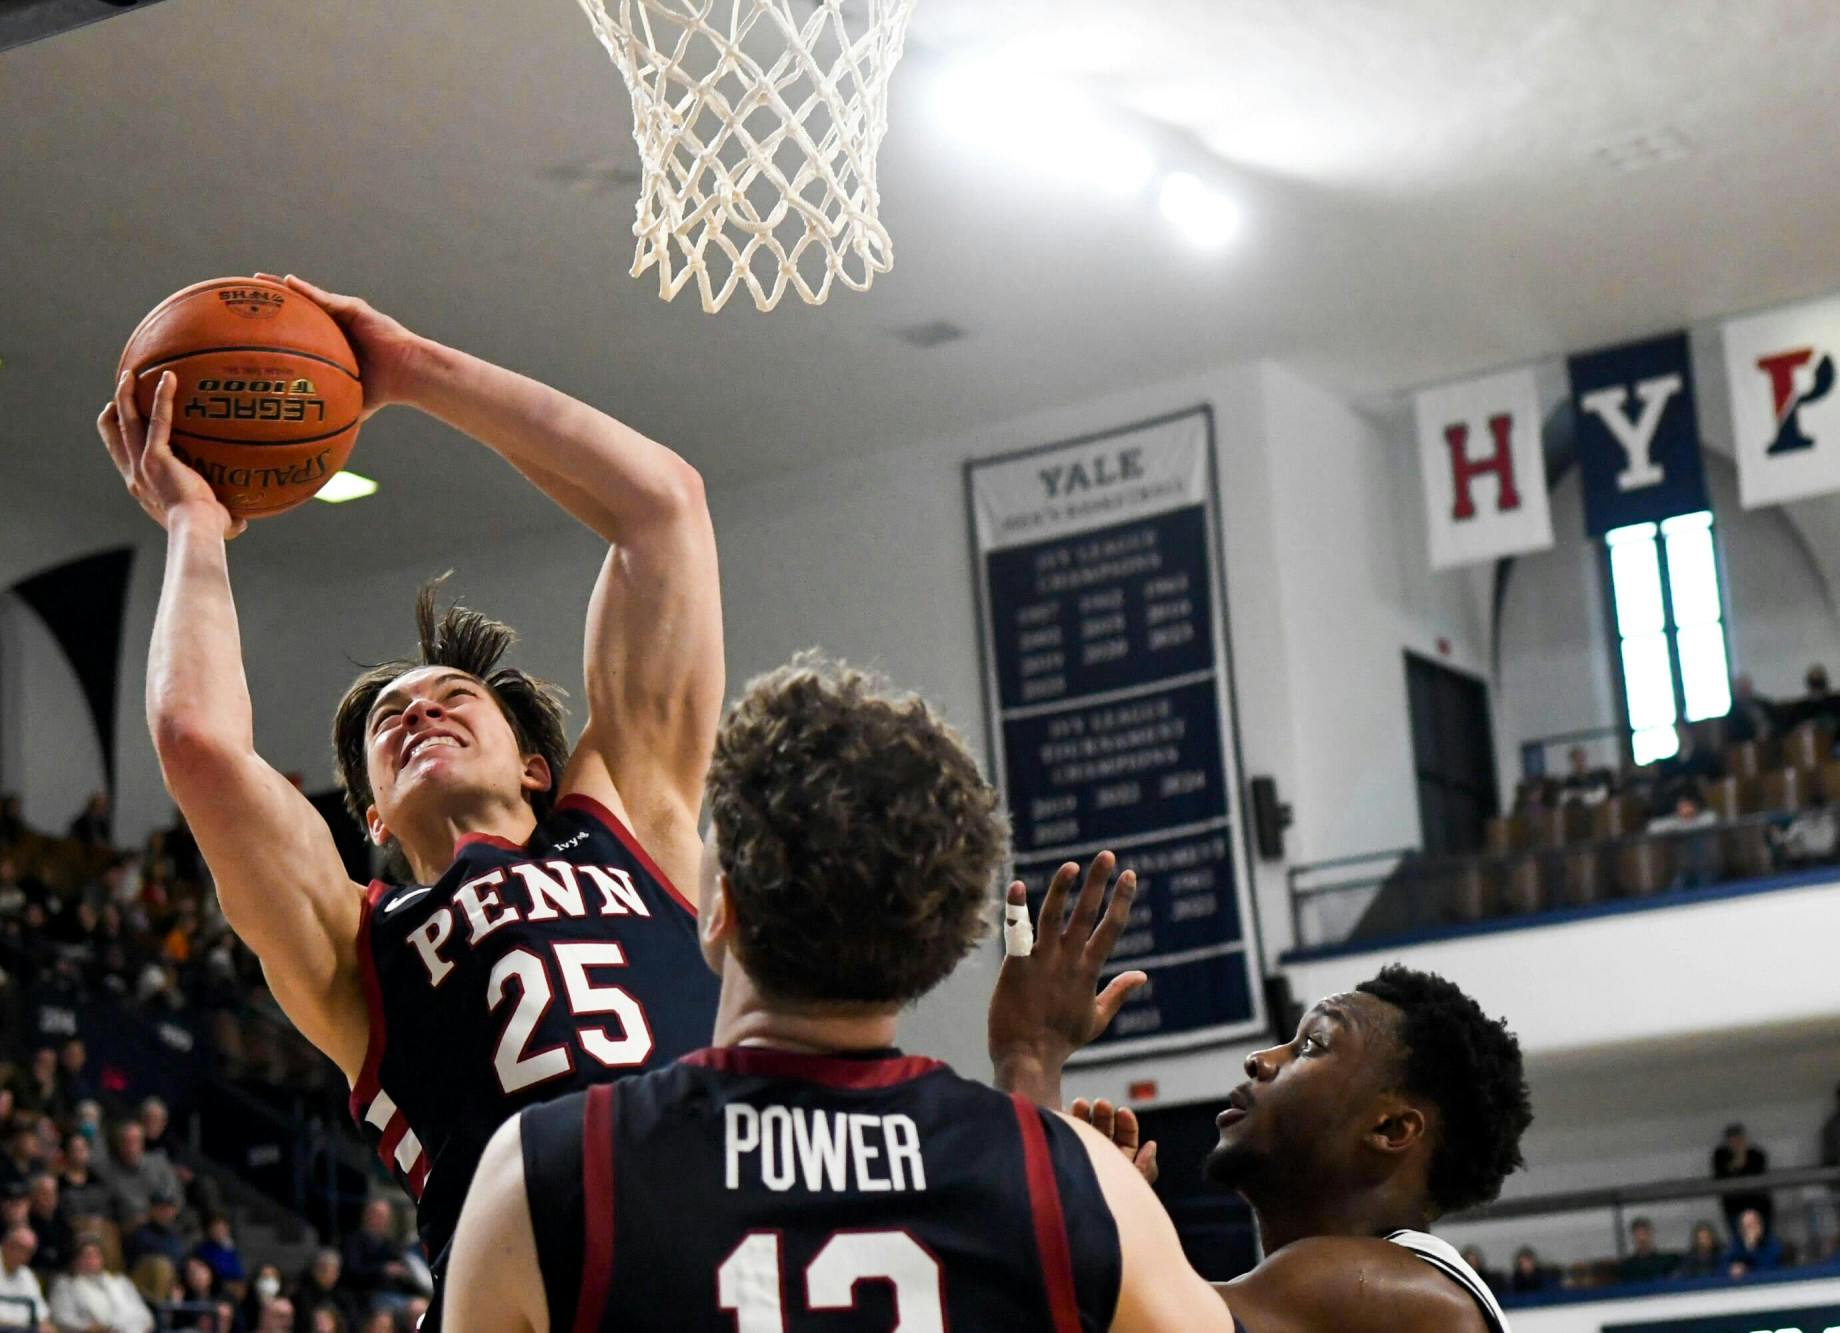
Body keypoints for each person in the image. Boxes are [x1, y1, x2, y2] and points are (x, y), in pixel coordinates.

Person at [98, 272, 726, 1324]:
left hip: (721, 1245)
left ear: (537, 764)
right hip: (526, 1291)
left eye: (451, 697)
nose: (418, 713)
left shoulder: (631, 825)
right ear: (374, 819)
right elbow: (196, 740)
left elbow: (661, 510)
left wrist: (409, 371)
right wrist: (194, 526)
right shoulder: (357, 948)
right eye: (391, 723)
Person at [445, 657, 1234, 1332]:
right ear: (935, 942)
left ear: (722, 911)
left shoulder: (545, 1168)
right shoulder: (1082, 1182)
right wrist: (1034, 1080)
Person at [992, 917, 1530, 1330]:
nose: (1261, 1059)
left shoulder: (1389, 1294)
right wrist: (1100, 1210)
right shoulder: (1346, 1291)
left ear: (1391, 1130)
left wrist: (1029, 1057)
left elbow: (1079, 1309)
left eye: (1311, 1046)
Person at [49, 1233, 156, 1333]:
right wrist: (90, 1328)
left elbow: (145, 1315)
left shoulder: (120, 1281)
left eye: (96, 1255)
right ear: (74, 1259)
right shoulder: (65, 1284)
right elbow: (62, 1318)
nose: (92, 1260)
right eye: (87, 1256)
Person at [341, 1198, 414, 1309]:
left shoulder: (389, 1244)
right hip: (366, 1294)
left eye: (384, 1216)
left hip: (395, 1293)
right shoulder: (353, 1240)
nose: (381, 1219)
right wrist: (383, 1269)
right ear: (365, 1214)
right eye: (376, 1214)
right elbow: (352, 1271)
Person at [1713, 1123, 1773, 1229]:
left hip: (1759, 1207)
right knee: (1740, 1240)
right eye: (1732, 1141)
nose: (1736, 1144)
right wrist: (1737, 1160)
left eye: (1738, 1140)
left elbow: (1760, 1177)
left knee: (1763, 1238)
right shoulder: (1720, 1156)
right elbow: (1721, 1176)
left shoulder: (1756, 1155)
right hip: (1735, 1209)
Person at [291, 1250, 362, 1333]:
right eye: (322, 1269)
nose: (328, 1274)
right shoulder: (301, 1296)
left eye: (333, 1270)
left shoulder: (345, 1296)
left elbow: (353, 1322)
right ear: (314, 1270)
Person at [1616, 1216, 1681, 1284]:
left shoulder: (1666, 1262)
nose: (1642, 1238)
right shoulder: (1628, 1267)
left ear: (1651, 1234)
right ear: (1633, 1237)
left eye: (1644, 1233)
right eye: (1638, 1235)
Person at [1726, 1206, 1784, 1277]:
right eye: (1747, 1226)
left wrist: (1752, 1248)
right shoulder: (1735, 1247)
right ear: (1740, 1229)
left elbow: (1769, 1268)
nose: (1751, 1230)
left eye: (1754, 1224)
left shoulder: (1773, 1244)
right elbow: (1724, 1268)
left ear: (1761, 1226)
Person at [1724, 674, 1775, 744]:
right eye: (1743, 688)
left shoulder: (1761, 703)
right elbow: (1737, 733)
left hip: (1772, 738)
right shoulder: (1734, 710)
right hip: (1750, 743)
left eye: (1747, 687)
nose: (1746, 690)